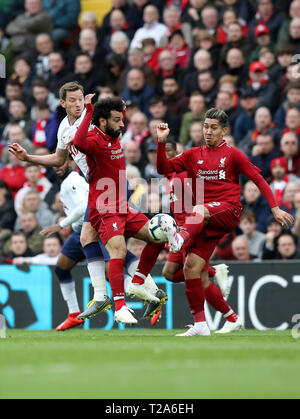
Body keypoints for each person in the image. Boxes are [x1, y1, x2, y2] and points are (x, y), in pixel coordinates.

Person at [156, 109, 294, 337]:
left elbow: (258, 178)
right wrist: (161, 143)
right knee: (191, 268)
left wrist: (275, 207)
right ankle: (201, 324)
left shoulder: (233, 155)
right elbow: (163, 169)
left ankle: (178, 238)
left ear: (224, 130)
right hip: (204, 221)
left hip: (228, 211)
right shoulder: (192, 155)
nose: (208, 131)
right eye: (206, 126)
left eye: (214, 127)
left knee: (199, 210)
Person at [70, 94, 168, 325]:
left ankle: (138, 282)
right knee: (118, 252)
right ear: (102, 121)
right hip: (104, 208)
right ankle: (119, 306)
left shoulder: (112, 133)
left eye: (121, 119)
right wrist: (89, 110)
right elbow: (79, 143)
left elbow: (114, 117)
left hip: (123, 205)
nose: (122, 124)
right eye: (117, 120)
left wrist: (118, 108)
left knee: (158, 237)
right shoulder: (93, 138)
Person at [148, 138, 241, 333]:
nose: (161, 158)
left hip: (190, 230)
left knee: (198, 276)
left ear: (176, 155)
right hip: (180, 230)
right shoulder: (170, 178)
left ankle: (226, 319)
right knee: (170, 273)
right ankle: (216, 273)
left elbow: (198, 206)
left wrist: (183, 234)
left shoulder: (184, 175)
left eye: (168, 153)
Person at [40, 157, 111, 331]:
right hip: (79, 232)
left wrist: (61, 224)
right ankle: (73, 314)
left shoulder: (73, 181)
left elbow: (82, 207)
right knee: (61, 268)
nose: (57, 167)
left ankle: (147, 296)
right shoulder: (65, 183)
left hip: (93, 229)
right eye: (54, 164)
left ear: (70, 162)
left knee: (111, 273)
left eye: (61, 162)